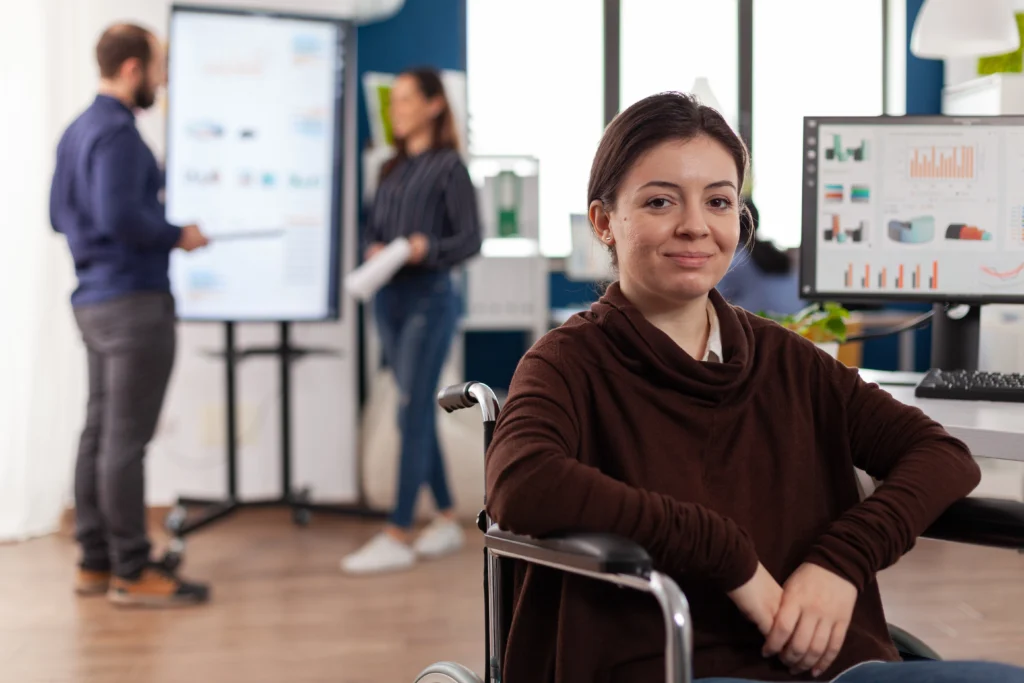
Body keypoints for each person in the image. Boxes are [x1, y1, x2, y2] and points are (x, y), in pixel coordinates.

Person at [483, 92, 1024, 682]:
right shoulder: (568, 362)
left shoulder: (787, 360)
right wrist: (724, 554)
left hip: (836, 667)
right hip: (671, 665)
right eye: (661, 201)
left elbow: (940, 455)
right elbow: (521, 482)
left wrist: (841, 561)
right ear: (605, 221)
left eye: (719, 201)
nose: (696, 226)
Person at [50, 23, 210, 606]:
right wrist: (178, 234)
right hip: (133, 303)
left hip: (93, 299)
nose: (164, 78)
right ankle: (132, 570)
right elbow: (119, 217)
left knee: (98, 433)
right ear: (133, 68)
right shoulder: (117, 132)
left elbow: (57, 215)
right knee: (123, 442)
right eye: (160, 65)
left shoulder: (76, 131)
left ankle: (95, 562)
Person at [341, 67, 482, 574]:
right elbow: (369, 229)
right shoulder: (390, 170)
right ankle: (445, 516)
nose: (395, 109)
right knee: (411, 412)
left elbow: (470, 241)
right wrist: (375, 248)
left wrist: (427, 247)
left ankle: (398, 530)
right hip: (389, 300)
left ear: (433, 105)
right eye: (393, 100)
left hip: (430, 298)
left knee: (412, 410)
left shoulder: (449, 168)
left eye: (405, 100)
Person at [717, 197, 806, 316]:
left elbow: (709, 302)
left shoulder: (736, 262)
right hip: (798, 322)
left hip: (762, 329)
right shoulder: (774, 253)